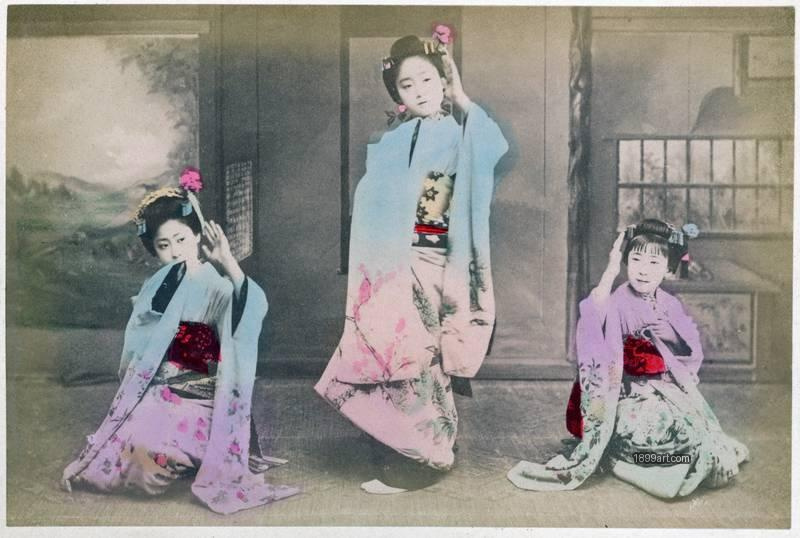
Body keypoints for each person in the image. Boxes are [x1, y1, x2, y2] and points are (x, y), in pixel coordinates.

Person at [314, 30, 508, 494]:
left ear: (443, 79)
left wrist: (461, 98)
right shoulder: (394, 139)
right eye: (407, 85)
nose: (420, 90)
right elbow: (375, 205)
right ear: (397, 94)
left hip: (426, 259)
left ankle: (425, 458)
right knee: (388, 355)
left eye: (427, 79)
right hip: (384, 265)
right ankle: (404, 444)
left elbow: (477, 164)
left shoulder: (458, 131)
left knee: (418, 357)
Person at [61, 168, 299, 514]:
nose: (174, 251)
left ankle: (191, 454)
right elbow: (138, 345)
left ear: (197, 235)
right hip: (155, 393)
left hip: (196, 398)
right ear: (153, 249)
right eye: (163, 245)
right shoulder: (155, 286)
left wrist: (229, 263)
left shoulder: (214, 283)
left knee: (147, 465)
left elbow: (251, 308)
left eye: (181, 240)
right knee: (110, 455)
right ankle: (173, 449)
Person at [507, 219, 749, 498]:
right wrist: (610, 271)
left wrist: (669, 335)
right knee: (664, 432)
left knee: (697, 434)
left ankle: (658, 463)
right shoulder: (617, 300)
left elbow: (692, 346)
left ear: (668, 269)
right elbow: (593, 317)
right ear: (626, 262)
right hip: (626, 397)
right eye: (636, 259)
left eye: (654, 263)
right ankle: (627, 463)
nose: (643, 270)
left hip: (666, 391)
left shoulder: (670, 304)